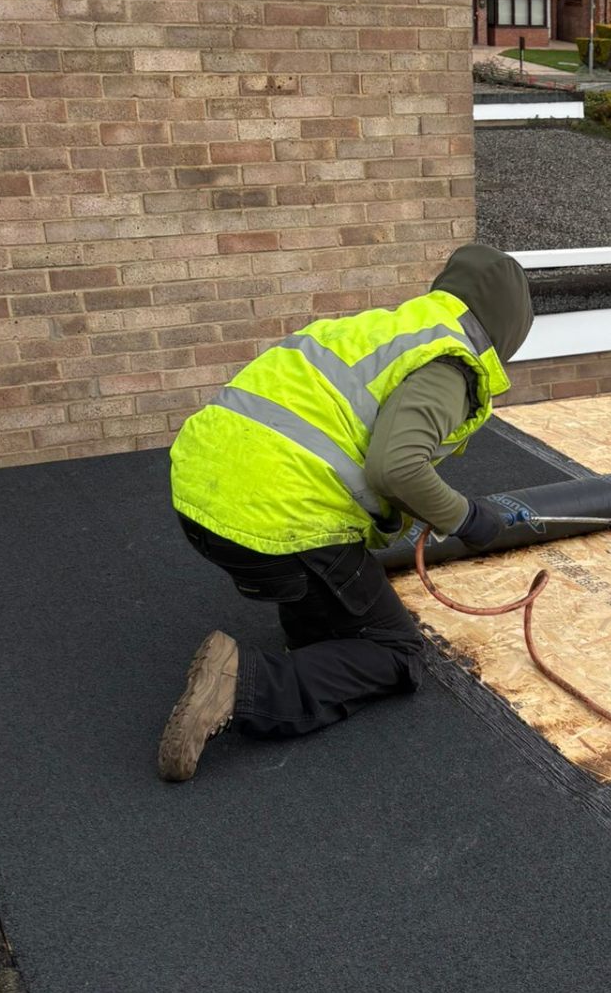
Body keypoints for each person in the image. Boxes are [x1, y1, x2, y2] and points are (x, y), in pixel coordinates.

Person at [157, 244, 533, 782]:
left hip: (200, 497)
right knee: (397, 652)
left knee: (334, 606)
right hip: (275, 519)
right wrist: (467, 518)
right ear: (511, 328)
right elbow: (396, 468)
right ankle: (244, 684)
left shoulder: (384, 331)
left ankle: (313, 642)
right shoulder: (450, 365)